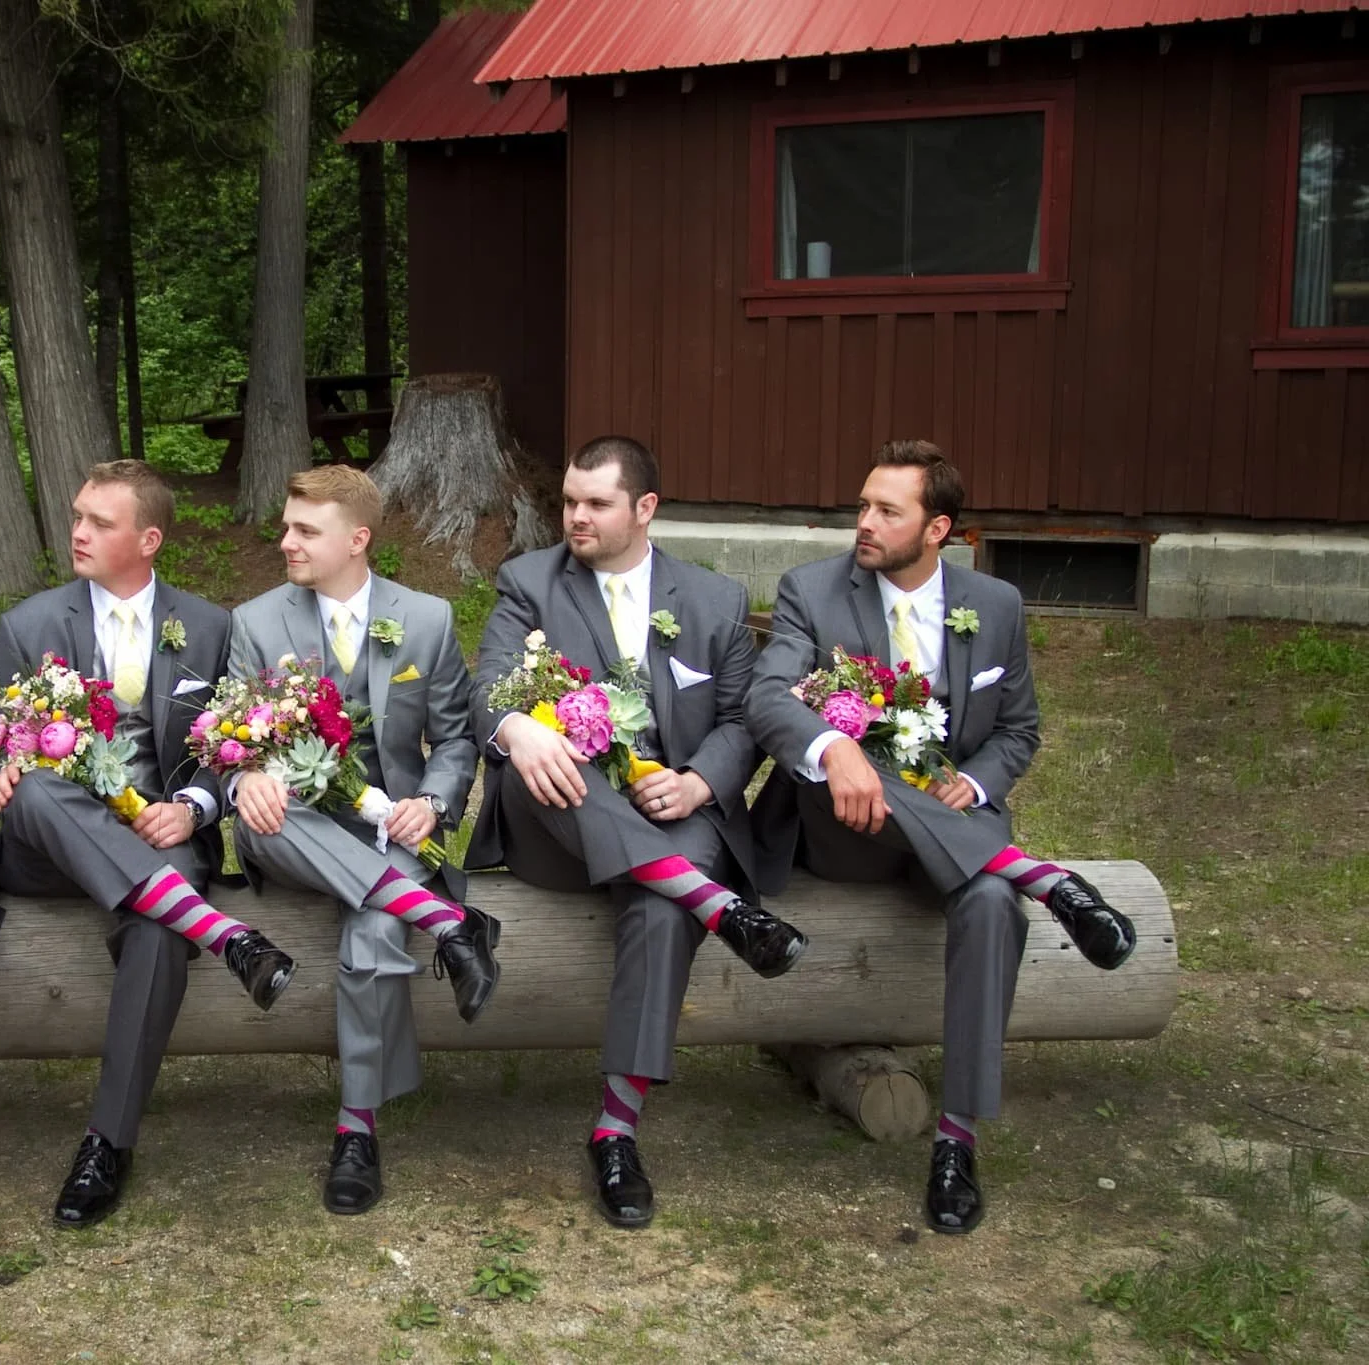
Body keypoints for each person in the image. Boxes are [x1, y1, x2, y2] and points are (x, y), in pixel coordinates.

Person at [747, 438, 1137, 1236]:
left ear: (939, 529)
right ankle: (1049, 878)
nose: (864, 522)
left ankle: (956, 1141)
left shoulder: (995, 606)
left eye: (887, 510)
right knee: (876, 780)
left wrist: (980, 781)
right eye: (862, 505)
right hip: (843, 827)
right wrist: (835, 746)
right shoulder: (811, 593)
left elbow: (1019, 730)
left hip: (952, 823)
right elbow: (766, 695)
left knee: (993, 903)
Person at [468, 434, 807, 1229]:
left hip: (674, 813)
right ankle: (724, 909)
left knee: (661, 908)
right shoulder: (529, 583)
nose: (575, 517)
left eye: (596, 503)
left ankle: (615, 1130)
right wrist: (518, 726)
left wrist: (699, 781)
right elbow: (487, 686)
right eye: (569, 502)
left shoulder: (715, 600)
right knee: (551, 761)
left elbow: (740, 718)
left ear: (644, 508)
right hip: (553, 819)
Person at [0, 460, 295, 1229]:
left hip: (161, 838)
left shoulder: (212, 627)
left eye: (100, 521)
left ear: (148, 539)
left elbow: (236, 753)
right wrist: (2, 766)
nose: (78, 532)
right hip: (50, 842)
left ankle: (107, 1143)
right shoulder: (29, 624)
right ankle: (223, 935)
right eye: (77, 515)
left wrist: (191, 808)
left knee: (161, 923)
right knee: (35, 787)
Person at [227, 465, 497, 1216]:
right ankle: (448, 922)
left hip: (393, 828)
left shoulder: (429, 620)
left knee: (377, 925)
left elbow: (452, 741)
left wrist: (433, 801)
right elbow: (231, 741)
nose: (285, 540)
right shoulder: (255, 622)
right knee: (265, 813)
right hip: (293, 828)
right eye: (286, 525)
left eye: (304, 530)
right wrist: (245, 778)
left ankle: (356, 1128)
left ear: (358, 539)